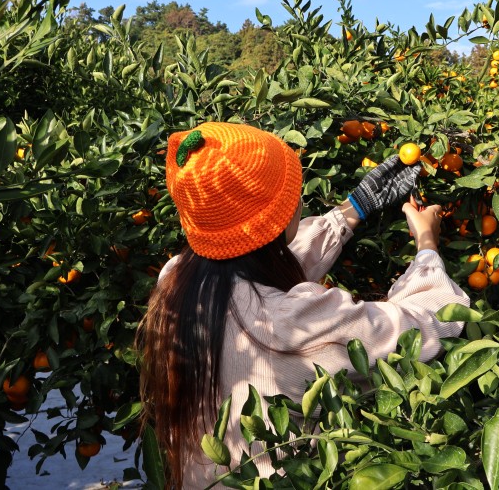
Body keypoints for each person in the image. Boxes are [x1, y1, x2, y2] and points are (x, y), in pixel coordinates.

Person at [135, 121, 470, 487]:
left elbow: (257, 264)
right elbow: (431, 322)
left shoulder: (176, 281)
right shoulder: (293, 324)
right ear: (276, 216)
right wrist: (427, 245)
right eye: (292, 194)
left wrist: (354, 209)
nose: (299, 201)